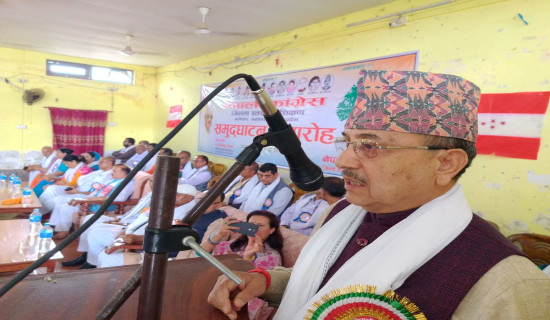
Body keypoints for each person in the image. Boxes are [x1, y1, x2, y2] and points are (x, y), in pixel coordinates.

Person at [207, 70, 550, 319]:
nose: (342, 160)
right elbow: (320, 286)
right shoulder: (342, 212)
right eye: (348, 141)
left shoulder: (506, 281)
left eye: (370, 145)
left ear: (446, 163)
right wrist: (262, 280)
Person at [80, 183, 197, 269]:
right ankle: (92, 263)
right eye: (175, 194)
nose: (174, 197)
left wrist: (134, 237)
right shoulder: (169, 204)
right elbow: (144, 216)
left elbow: (168, 231)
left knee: (98, 238)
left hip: (143, 237)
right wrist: (127, 229)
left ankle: (95, 268)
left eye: (179, 195)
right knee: (96, 231)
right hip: (132, 229)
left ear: (190, 197)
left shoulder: (186, 211)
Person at [202, 211, 283, 320]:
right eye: (251, 224)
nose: (254, 229)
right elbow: (200, 254)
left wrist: (247, 257)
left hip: (241, 302)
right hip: (211, 287)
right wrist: (219, 234)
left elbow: (257, 290)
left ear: (272, 230)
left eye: (260, 225)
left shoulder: (272, 257)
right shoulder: (231, 245)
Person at [48, 164, 134, 239]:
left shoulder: (127, 183)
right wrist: (85, 199)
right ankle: (56, 227)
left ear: (123, 173)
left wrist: (87, 200)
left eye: (114, 171)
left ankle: (64, 231)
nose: (112, 173)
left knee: (67, 206)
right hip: (91, 201)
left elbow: (117, 199)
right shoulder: (111, 181)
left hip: (103, 206)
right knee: (63, 202)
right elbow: (95, 193)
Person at [39, 156, 114, 213]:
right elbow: (80, 182)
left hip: (85, 194)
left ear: (110, 162)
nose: (99, 164)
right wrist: (73, 188)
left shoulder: (110, 176)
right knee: (51, 188)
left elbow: (97, 193)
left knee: (57, 199)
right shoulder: (98, 172)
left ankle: (39, 213)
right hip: (76, 189)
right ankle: (36, 208)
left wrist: (77, 192)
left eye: (101, 162)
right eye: (99, 162)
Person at [279, 177, 344, 236]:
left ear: (324, 191)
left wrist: (290, 232)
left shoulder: (332, 207)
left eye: (319, 187)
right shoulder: (306, 197)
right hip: (287, 230)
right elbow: (289, 211)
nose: (316, 189)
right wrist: (284, 226)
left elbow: (316, 231)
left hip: (302, 237)